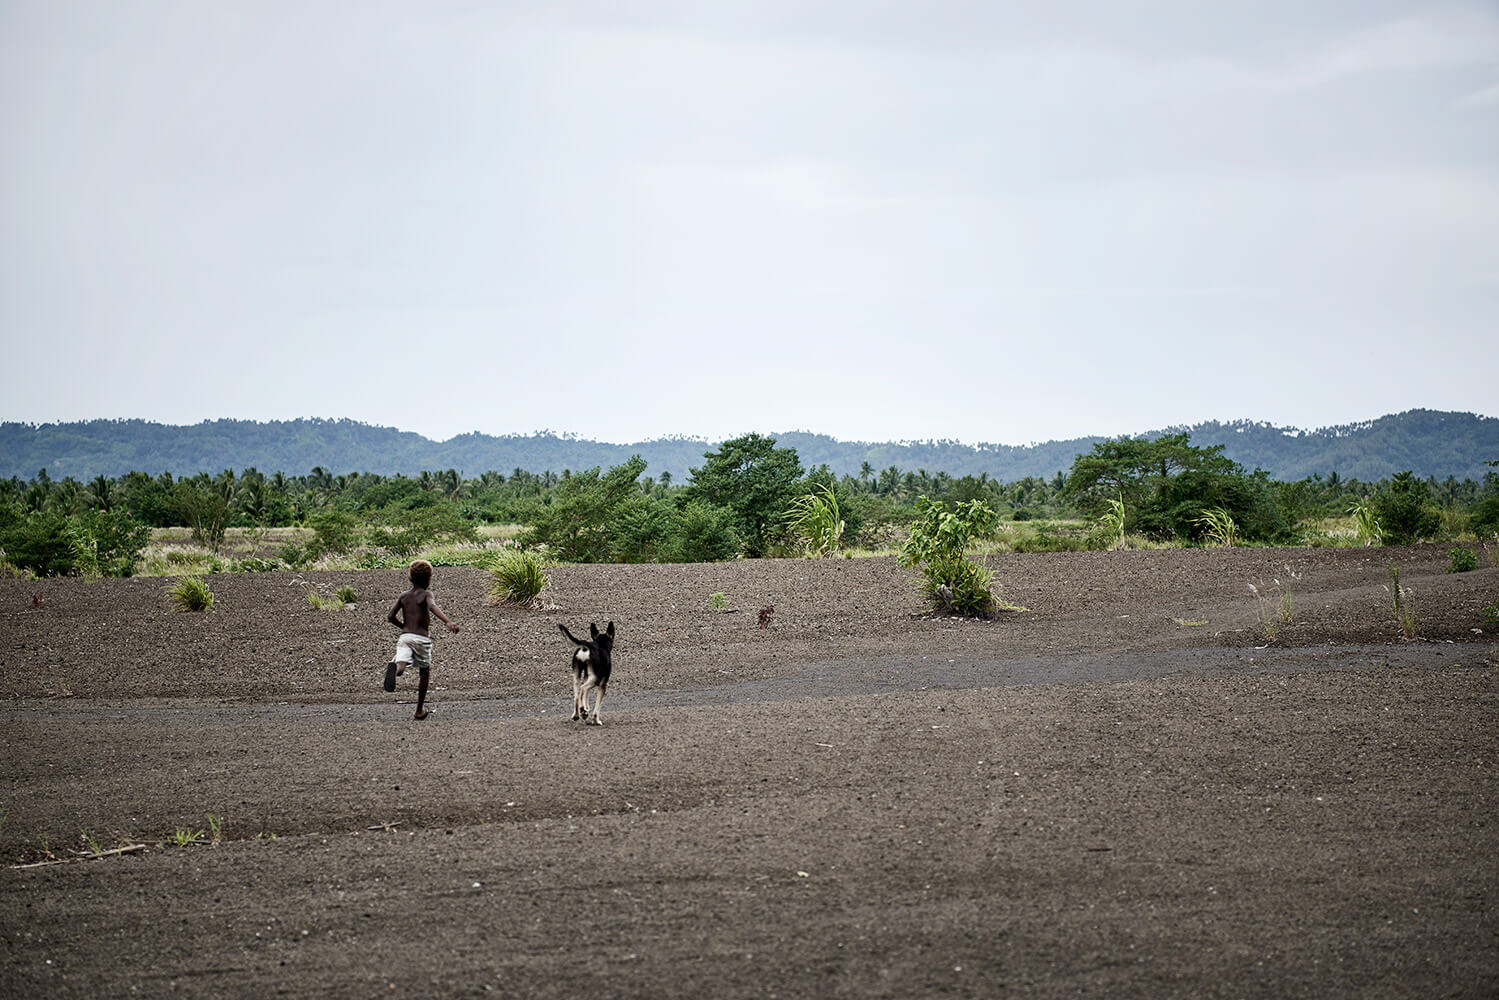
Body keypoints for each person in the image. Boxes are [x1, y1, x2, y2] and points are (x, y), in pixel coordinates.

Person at [384, 559, 459, 720]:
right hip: (421, 639)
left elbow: (390, 617)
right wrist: (447, 621)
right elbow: (432, 606)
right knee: (424, 671)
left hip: (405, 637)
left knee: (402, 660)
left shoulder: (403, 596)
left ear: (410, 578)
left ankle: (397, 670)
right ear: (429, 579)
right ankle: (419, 710)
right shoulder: (426, 595)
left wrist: (403, 626)